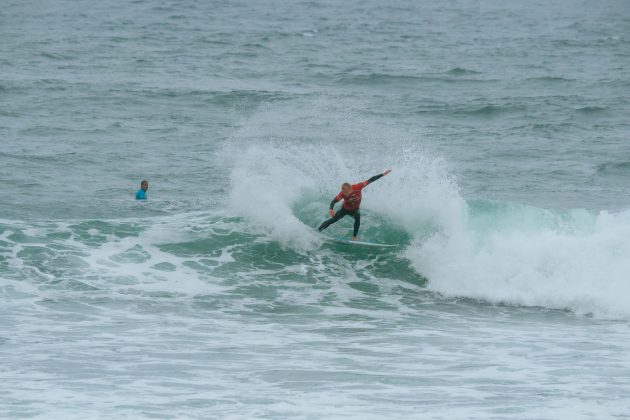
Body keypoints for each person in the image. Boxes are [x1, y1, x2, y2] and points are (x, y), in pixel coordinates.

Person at [318, 169, 392, 240]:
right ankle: (318, 231)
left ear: (351, 189)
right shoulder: (342, 193)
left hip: (355, 209)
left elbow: (371, 180)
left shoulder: (358, 187)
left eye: (346, 193)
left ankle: (354, 236)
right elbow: (334, 201)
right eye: (344, 193)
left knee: (357, 219)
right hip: (344, 209)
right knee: (332, 220)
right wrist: (331, 209)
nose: (345, 195)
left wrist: (383, 174)